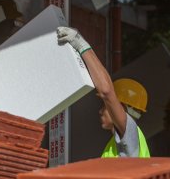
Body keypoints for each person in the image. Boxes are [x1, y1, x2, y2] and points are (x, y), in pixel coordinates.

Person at [56, 26, 150, 158]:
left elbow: (106, 92)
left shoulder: (131, 134)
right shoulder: (118, 144)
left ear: (121, 107)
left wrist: (80, 44)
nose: (100, 111)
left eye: (106, 106)